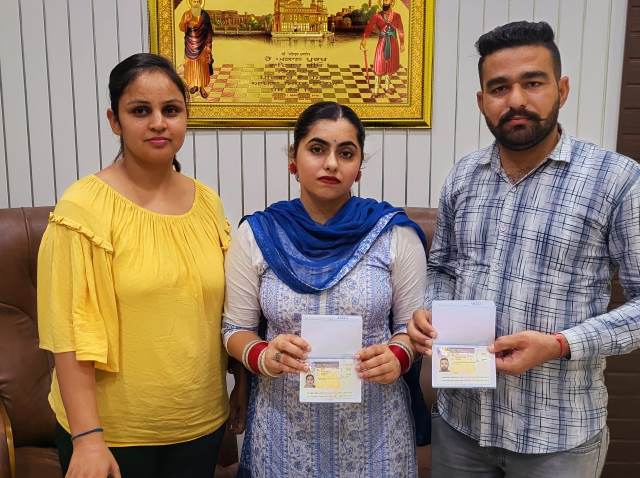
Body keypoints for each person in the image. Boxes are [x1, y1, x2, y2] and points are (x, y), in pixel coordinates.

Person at [408, 21, 640, 477]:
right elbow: (443, 268)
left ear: (562, 90)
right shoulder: (463, 177)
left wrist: (559, 345)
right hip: (461, 427)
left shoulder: (616, 180)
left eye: (533, 83)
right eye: (499, 88)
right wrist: (429, 311)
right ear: (482, 101)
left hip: (558, 438)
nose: (515, 100)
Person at [37, 53, 246, 478]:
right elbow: (69, 332)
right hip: (111, 436)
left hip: (199, 425)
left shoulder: (207, 202)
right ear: (114, 121)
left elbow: (227, 310)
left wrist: (241, 383)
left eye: (171, 110)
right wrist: (87, 438)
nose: (158, 123)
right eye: (140, 111)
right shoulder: (82, 208)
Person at [222, 101, 427, 477]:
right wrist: (264, 356)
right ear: (293, 160)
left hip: (375, 430)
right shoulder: (258, 234)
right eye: (317, 149)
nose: (331, 163)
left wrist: (398, 355)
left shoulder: (393, 233)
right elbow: (234, 329)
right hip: (283, 430)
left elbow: (412, 327)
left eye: (346, 153)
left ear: (359, 167)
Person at [360, 0, 405, 96]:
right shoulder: (377, 16)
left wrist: (402, 43)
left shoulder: (397, 16)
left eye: (387, 0)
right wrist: (364, 40)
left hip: (393, 44)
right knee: (379, 65)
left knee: (390, 66)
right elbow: (369, 28)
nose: (385, 2)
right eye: (383, 1)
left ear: (392, 3)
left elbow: (400, 30)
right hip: (382, 44)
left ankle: (387, 88)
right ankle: (376, 91)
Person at [179, 0, 213, 98]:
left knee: (202, 66)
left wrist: (208, 46)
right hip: (190, 45)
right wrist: (185, 22)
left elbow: (209, 32)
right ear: (190, 2)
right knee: (192, 66)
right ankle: (195, 85)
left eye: (198, 1)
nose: (196, 3)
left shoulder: (205, 15)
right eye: (194, 1)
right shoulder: (186, 14)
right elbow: (182, 28)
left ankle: (202, 87)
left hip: (202, 45)